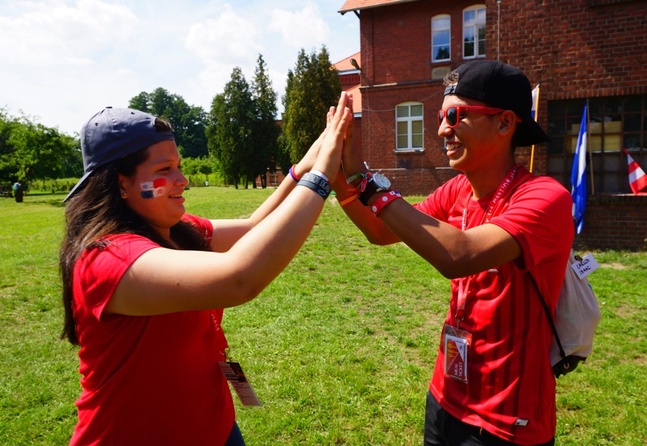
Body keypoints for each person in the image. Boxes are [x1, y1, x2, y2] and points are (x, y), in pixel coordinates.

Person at [59, 94, 351, 445]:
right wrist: (321, 177)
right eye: (164, 171)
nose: (183, 179)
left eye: (178, 166)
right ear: (121, 183)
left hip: (215, 427)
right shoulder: (107, 258)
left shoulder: (175, 229)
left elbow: (255, 225)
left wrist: (303, 167)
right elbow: (239, 278)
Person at [335, 60, 574, 445]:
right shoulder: (457, 189)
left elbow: (458, 255)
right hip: (445, 397)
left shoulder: (545, 197)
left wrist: (367, 185)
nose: (442, 128)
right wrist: (339, 174)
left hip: (506, 420)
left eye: (454, 115)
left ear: (504, 123)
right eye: (441, 116)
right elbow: (380, 230)